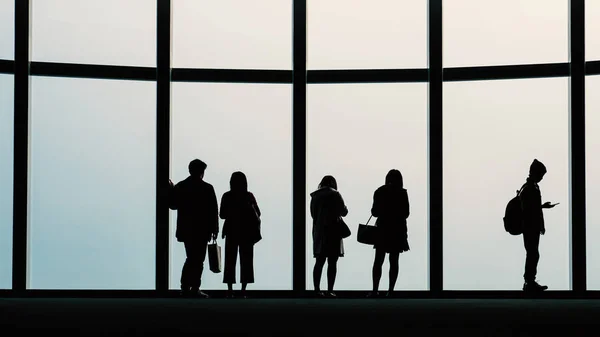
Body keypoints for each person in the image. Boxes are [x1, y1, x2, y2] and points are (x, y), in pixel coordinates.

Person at [168, 159, 219, 298]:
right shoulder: (207, 188)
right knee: (198, 259)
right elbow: (213, 210)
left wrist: (171, 189)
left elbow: (173, 205)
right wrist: (215, 229)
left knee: (191, 258)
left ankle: (186, 287)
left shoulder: (182, 186)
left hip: (187, 229)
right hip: (202, 229)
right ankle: (193, 288)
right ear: (202, 172)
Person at [367, 169, 410, 298]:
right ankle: (390, 291)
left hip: (382, 229)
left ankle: (375, 290)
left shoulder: (379, 191)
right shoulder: (402, 193)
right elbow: (406, 213)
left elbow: (374, 212)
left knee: (378, 260)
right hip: (397, 229)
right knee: (394, 260)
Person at [220, 171, 261, 299]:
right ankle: (243, 290)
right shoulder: (249, 196)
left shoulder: (227, 196)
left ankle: (230, 290)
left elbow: (222, 215)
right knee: (247, 261)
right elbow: (258, 213)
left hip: (232, 231)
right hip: (247, 232)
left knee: (230, 261)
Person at [520, 159, 556, 292]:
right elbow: (530, 209)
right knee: (533, 253)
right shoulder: (531, 188)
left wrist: (542, 207)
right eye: (541, 175)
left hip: (530, 226)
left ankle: (529, 281)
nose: (542, 178)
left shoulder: (528, 187)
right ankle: (529, 282)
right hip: (530, 226)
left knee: (532, 253)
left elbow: (531, 207)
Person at [310, 175, 348, 298]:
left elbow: (313, 214)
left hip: (319, 231)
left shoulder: (315, 196)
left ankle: (317, 289)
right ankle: (330, 290)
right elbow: (344, 212)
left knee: (319, 261)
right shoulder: (335, 194)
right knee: (332, 262)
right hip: (334, 231)